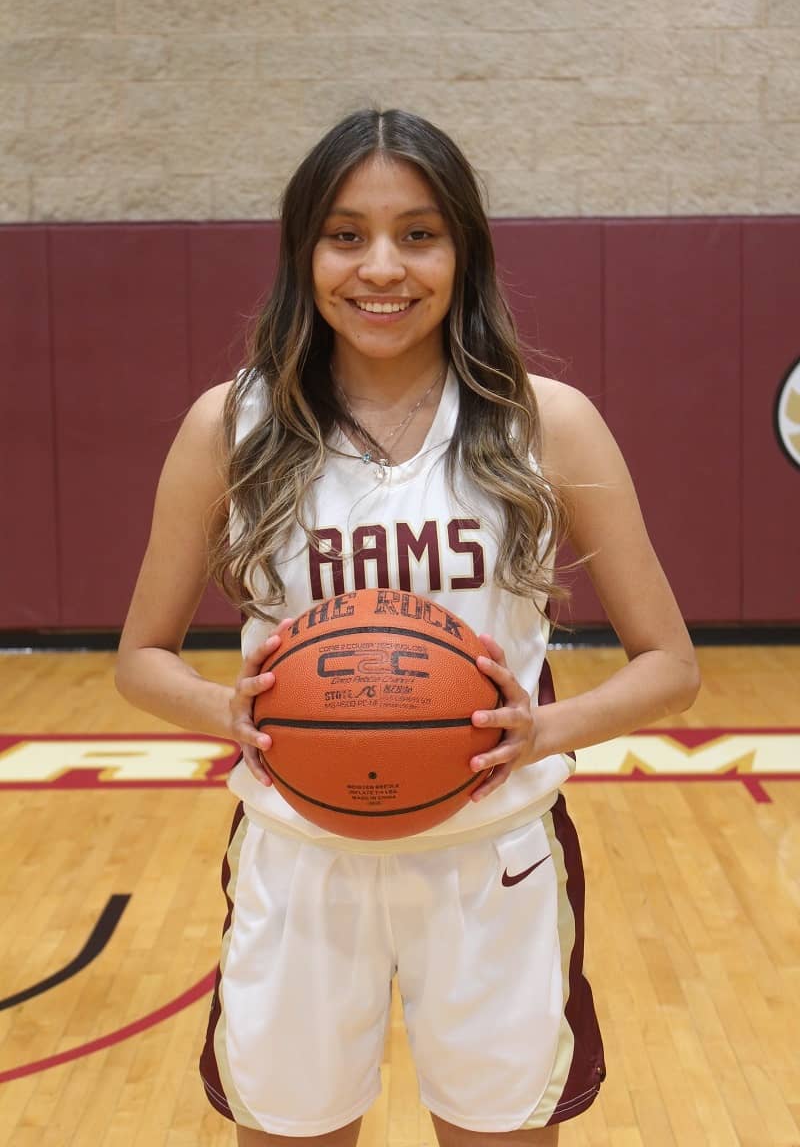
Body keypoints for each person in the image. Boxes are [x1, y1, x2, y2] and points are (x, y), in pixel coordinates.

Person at [116, 108, 700, 1147]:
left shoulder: (544, 422)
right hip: (298, 859)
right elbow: (139, 660)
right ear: (303, 253)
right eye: (345, 234)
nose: (380, 267)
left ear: (462, 249)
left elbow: (669, 669)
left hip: (492, 861)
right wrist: (224, 707)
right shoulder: (229, 426)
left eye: (417, 234)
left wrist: (541, 730)